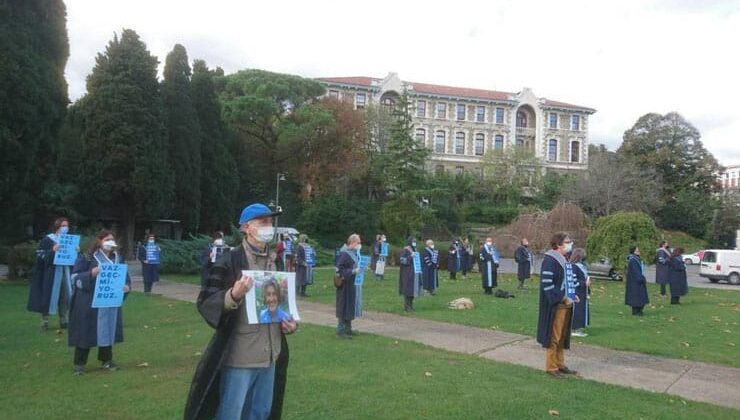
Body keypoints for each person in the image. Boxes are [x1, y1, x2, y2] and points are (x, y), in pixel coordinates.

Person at [184, 203, 297, 420]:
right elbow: (206, 301)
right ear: (246, 227)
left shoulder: (276, 261)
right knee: (231, 414)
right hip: (240, 357)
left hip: (271, 355)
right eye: (263, 222)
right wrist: (233, 295)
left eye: (270, 222)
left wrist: (290, 323)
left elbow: (282, 306)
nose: (269, 227)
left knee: (261, 413)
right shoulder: (229, 260)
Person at [69, 230, 131, 375]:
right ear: (99, 241)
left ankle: (106, 361)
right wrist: (91, 274)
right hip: (89, 302)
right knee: (86, 332)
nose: (110, 242)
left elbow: (125, 277)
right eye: (107, 239)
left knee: (107, 331)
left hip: (109, 301)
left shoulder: (118, 258)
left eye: (112, 240)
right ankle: (79, 365)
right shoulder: (88, 257)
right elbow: (74, 278)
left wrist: (126, 287)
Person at [536, 232, 579, 379]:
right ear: (559, 244)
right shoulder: (550, 260)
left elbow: (566, 282)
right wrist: (563, 298)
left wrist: (572, 295)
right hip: (556, 306)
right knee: (554, 337)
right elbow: (547, 285)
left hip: (566, 304)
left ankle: (560, 364)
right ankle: (551, 367)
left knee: (562, 336)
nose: (570, 243)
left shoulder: (564, 259)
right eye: (567, 241)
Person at [27, 217, 76, 331]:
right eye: (63, 225)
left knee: (65, 295)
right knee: (48, 296)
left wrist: (76, 251)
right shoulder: (48, 239)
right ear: (57, 226)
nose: (65, 228)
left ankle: (63, 320)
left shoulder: (69, 240)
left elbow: (75, 259)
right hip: (51, 273)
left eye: (67, 226)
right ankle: (45, 321)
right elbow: (40, 256)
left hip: (65, 271)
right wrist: (52, 250)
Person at [335, 234, 361, 338]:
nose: (359, 244)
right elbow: (339, 270)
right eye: (358, 242)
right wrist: (353, 271)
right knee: (343, 306)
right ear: (353, 242)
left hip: (352, 284)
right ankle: (341, 330)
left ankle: (348, 328)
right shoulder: (344, 254)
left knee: (350, 305)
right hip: (344, 285)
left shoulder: (354, 253)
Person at [569, 248, 590, 337]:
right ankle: (574, 328)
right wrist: (584, 283)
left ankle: (579, 327)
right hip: (577, 292)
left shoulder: (582, 266)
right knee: (577, 310)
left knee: (582, 310)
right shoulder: (574, 266)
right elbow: (573, 279)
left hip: (583, 292)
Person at [625, 246, 649, 316]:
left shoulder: (636, 259)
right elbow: (636, 271)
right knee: (637, 297)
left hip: (637, 280)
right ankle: (636, 311)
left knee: (640, 297)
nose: (639, 252)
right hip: (635, 281)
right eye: (637, 251)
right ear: (634, 252)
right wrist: (641, 278)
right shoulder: (633, 260)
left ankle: (638, 311)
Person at [399, 237, 421, 312]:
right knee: (408, 290)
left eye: (415, 241)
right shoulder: (406, 250)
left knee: (413, 290)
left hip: (415, 272)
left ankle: (411, 305)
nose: (414, 242)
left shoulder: (415, 250)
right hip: (407, 273)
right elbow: (402, 260)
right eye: (413, 241)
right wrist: (410, 257)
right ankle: (406, 306)